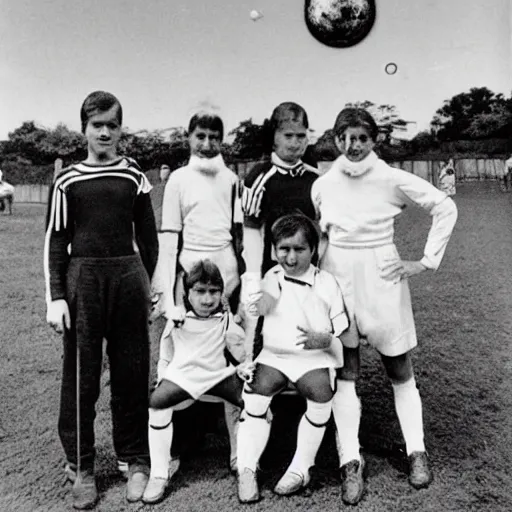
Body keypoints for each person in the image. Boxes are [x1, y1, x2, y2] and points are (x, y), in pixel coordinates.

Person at [311, 107, 458, 505]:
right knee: (347, 370)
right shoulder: (322, 185)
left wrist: (424, 262)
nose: (353, 146)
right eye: (345, 138)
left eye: (361, 138)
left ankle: (416, 452)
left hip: (383, 274)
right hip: (338, 275)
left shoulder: (391, 178)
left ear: (373, 140)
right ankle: (350, 461)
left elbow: (444, 207)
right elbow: (322, 239)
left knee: (398, 366)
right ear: (336, 140)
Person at [44, 91, 158, 509]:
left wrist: (154, 286)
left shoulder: (133, 174)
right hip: (84, 279)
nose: (105, 132)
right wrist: (56, 297)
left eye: (112, 124)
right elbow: (55, 241)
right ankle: (82, 465)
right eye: (97, 125)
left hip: (127, 277)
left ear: (121, 129)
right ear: (84, 130)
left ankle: (134, 459)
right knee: (81, 375)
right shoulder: (67, 180)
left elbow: (148, 237)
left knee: (132, 371)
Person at [151, 111, 244, 479]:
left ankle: (237, 447)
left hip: (227, 274)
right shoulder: (177, 179)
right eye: (200, 136)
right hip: (189, 275)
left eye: (214, 137)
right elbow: (170, 237)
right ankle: (184, 441)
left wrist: (238, 281)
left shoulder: (232, 179)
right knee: (185, 352)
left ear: (222, 141)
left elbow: (239, 236)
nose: (207, 144)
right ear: (188, 137)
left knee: (226, 351)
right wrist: (170, 297)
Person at [236, 213, 349, 503]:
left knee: (321, 393)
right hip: (274, 355)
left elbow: (341, 327)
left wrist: (323, 339)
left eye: (299, 249)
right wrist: (256, 296)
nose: (291, 256)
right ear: (274, 251)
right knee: (255, 395)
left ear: (314, 250)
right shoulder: (271, 278)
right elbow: (257, 312)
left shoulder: (326, 283)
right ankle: (247, 468)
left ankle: (301, 467)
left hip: (313, 356)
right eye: (283, 249)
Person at [143, 260, 246, 504]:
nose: (207, 299)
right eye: (200, 291)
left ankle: (241, 458)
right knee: (157, 403)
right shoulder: (178, 319)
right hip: (184, 376)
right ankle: (159, 472)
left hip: (218, 376)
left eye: (213, 292)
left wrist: (238, 342)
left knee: (251, 401)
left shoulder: (226, 320)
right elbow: (166, 353)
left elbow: (240, 354)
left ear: (221, 293)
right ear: (188, 294)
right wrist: (163, 375)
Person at [240, 101, 319, 361]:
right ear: (273, 137)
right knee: (266, 327)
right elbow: (251, 230)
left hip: (309, 269)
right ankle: (260, 387)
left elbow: (321, 229)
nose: (295, 142)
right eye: (288, 135)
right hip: (271, 271)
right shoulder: (259, 177)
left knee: (309, 323)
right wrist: (253, 276)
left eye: (300, 136)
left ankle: (312, 384)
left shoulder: (315, 179)